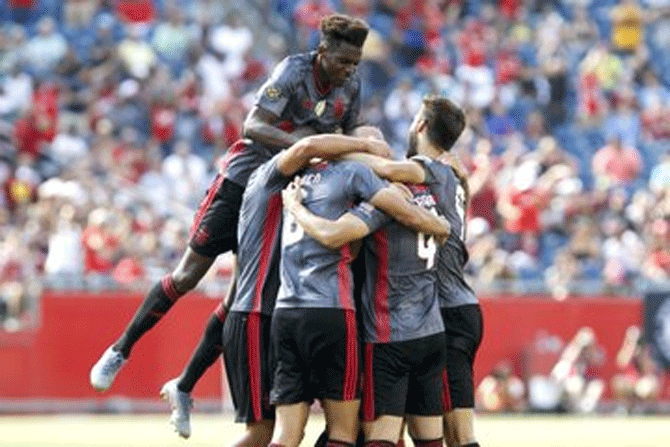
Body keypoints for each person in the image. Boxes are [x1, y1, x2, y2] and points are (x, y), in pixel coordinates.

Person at [90, 13, 371, 393]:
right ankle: (120, 349)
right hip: (243, 178)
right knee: (188, 275)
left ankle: (184, 386)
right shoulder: (293, 71)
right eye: (343, 62)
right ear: (322, 52)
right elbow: (252, 127)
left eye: (355, 63)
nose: (349, 70)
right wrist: (306, 149)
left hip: (281, 193)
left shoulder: (350, 88)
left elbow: (350, 135)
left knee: (243, 294)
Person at [160, 131, 393, 441]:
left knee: (285, 433)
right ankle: (183, 383)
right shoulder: (344, 177)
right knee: (323, 431)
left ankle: (184, 382)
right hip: (291, 311)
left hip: (283, 313)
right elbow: (342, 234)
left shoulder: (291, 181)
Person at [284, 96, 472, 447]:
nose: (379, 156)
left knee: (377, 434)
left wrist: (296, 205)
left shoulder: (388, 201)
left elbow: (335, 234)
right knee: (433, 436)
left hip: (390, 335)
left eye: (380, 150)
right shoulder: (442, 182)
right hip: (432, 330)